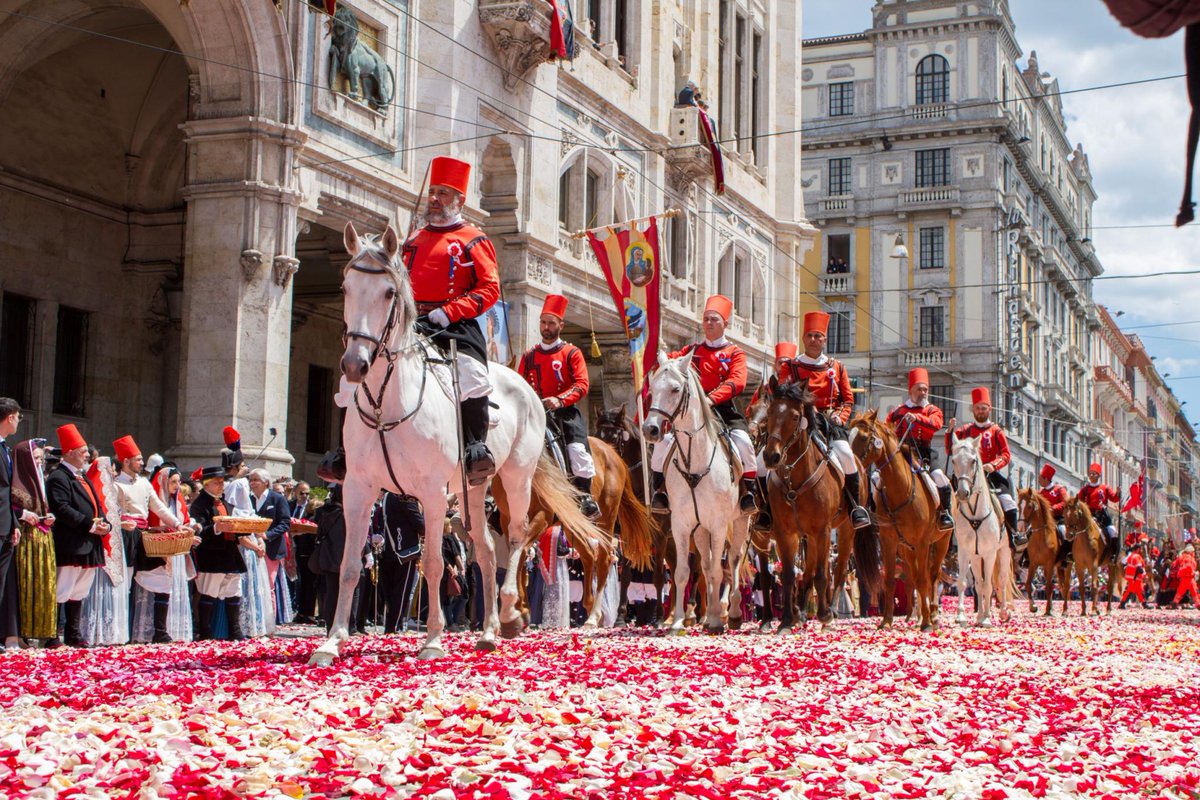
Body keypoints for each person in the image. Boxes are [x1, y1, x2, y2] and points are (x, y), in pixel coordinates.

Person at [404, 155, 501, 486]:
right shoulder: (412, 241)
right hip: (412, 320)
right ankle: (346, 452)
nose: (434, 199)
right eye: (433, 192)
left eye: (443, 193)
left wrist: (449, 311)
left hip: (454, 324)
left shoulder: (473, 238)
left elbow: (489, 289)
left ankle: (475, 448)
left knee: (471, 374)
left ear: (460, 200)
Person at [649, 294, 758, 517]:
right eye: (706, 319)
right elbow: (668, 364)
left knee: (744, 442)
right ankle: (660, 489)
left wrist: (711, 399)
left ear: (725, 324)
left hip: (721, 408)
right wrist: (649, 351)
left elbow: (737, 381)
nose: (709, 323)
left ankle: (747, 491)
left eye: (714, 319)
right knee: (665, 441)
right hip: (689, 409)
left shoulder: (734, 353)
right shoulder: (691, 351)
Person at [778, 310, 870, 529]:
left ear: (825, 340)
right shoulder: (790, 366)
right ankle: (766, 510)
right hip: (800, 421)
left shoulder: (837, 367)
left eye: (818, 336)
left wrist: (840, 416)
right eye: (809, 335)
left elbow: (848, 400)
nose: (813, 340)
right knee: (769, 455)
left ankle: (856, 507)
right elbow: (782, 395)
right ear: (803, 338)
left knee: (847, 455)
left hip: (830, 423)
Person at [519, 294, 600, 519]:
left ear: (560, 326)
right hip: (536, 415)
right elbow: (520, 385)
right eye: (543, 322)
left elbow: (582, 384)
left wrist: (559, 399)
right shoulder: (529, 356)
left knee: (577, 452)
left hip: (564, 414)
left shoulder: (570, 353)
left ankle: (585, 496)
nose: (546, 327)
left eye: (551, 323)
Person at [111, 435, 187, 643]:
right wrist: (119, 523)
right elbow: (111, 512)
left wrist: (176, 523)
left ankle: (160, 631)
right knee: (125, 584)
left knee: (160, 579)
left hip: (144, 535)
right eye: (138, 459)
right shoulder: (116, 485)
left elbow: (158, 507)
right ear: (126, 461)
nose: (142, 463)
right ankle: (123, 633)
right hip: (126, 535)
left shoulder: (144, 483)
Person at [45, 424, 110, 647]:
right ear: (71, 452)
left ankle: (73, 633)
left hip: (89, 542)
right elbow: (62, 509)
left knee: (80, 590)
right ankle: (52, 634)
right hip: (71, 542)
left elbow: (97, 506)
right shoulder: (58, 477)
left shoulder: (83, 477)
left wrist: (104, 524)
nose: (87, 456)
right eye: (83, 452)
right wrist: (89, 525)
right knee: (62, 588)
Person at [945, 387, 1021, 547]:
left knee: (1009, 503)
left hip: (990, 475)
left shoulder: (996, 431)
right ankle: (948, 538)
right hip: (967, 475)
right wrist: (949, 431)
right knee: (949, 501)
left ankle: (1013, 536)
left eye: (983, 408)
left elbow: (1006, 455)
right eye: (978, 408)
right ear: (973, 409)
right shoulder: (964, 430)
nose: (980, 411)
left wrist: (993, 465)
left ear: (989, 409)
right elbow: (949, 449)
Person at [885, 367, 953, 529]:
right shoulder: (898, 412)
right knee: (876, 478)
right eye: (919, 389)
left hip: (924, 453)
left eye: (925, 389)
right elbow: (887, 428)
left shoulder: (932, 410)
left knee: (939, 477)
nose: (923, 393)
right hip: (901, 453)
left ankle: (945, 514)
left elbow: (936, 424)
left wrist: (917, 418)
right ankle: (872, 512)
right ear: (911, 391)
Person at [190, 465, 247, 640]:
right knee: (209, 591)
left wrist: (243, 528)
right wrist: (216, 527)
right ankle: (205, 631)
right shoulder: (199, 505)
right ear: (206, 484)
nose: (221, 485)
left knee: (234, 590)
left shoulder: (227, 504)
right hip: (212, 555)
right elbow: (198, 531)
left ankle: (234, 630)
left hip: (230, 553)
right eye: (217, 482)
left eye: (223, 482)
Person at [11, 439, 57, 645]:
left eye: (41, 459)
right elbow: (9, 506)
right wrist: (23, 514)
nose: (40, 463)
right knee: (25, 585)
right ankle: (19, 633)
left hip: (41, 537)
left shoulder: (41, 480)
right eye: (35, 458)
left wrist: (47, 517)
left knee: (42, 587)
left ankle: (39, 631)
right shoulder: (15, 480)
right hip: (24, 539)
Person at [371, 492, 424, 634]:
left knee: (392, 594)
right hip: (405, 552)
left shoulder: (387, 496)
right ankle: (394, 627)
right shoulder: (406, 497)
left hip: (389, 552)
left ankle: (394, 625)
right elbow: (420, 526)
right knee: (401, 593)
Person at [248, 468, 293, 625]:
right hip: (251, 547)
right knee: (253, 586)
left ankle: (269, 623)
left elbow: (285, 523)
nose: (252, 483)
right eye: (251, 480)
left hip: (272, 549)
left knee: (268, 586)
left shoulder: (277, 499)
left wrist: (267, 535)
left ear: (266, 482)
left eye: (255, 480)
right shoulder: (248, 499)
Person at [1078, 463, 1120, 546]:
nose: (1091, 475)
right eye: (1090, 473)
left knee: (1112, 531)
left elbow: (1114, 499)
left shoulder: (1105, 488)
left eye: (1094, 474)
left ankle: (1113, 553)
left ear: (1099, 475)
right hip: (1088, 515)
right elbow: (1079, 501)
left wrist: (1118, 493)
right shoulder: (1084, 489)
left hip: (1102, 515)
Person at [1037, 464, 1070, 540]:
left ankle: (1067, 551)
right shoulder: (1040, 492)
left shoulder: (1059, 489)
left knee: (1063, 532)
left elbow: (1065, 502)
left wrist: (1053, 508)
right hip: (1043, 520)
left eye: (1040, 478)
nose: (1039, 480)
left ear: (1046, 479)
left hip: (1057, 519)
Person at [1170, 544, 1198, 608]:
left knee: (1183, 591)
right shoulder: (1188, 557)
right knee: (1192, 591)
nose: (1193, 553)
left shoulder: (1183, 556)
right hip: (1188, 577)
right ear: (1190, 551)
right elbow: (1188, 567)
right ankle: (1175, 603)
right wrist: (1194, 573)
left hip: (1187, 577)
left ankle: (1175, 603)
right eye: (1193, 551)